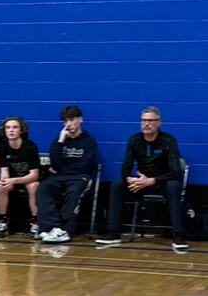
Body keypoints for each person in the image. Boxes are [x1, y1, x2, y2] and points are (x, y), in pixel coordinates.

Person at [97, 107, 186, 250]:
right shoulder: (134, 140)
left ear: (158, 123)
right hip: (141, 182)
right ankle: (112, 233)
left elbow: (176, 172)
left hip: (160, 182)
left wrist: (152, 180)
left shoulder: (168, 140)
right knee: (117, 185)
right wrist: (130, 180)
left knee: (174, 185)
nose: (146, 124)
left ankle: (178, 235)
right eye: (144, 120)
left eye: (150, 121)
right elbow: (125, 169)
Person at [38, 105, 97, 244]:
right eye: (65, 121)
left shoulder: (89, 142)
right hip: (61, 176)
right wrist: (60, 142)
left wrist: (63, 169)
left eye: (71, 120)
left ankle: (66, 230)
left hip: (80, 177)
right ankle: (52, 228)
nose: (68, 124)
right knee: (44, 188)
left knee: (74, 190)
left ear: (80, 119)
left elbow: (86, 166)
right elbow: (56, 164)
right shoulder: (59, 141)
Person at [0, 116, 40, 238]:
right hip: (12, 179)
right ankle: (2, 222)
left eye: (15, 127)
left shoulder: (30, 147)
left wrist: (13, 180)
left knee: (33, 186)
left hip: (27, 179)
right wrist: (5, 181)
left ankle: (35, 223)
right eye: (8, 128)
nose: (11, 130)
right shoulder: (2, 146)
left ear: (21, 130)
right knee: (1, 186)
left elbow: (34, 175)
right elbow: (4, 170)